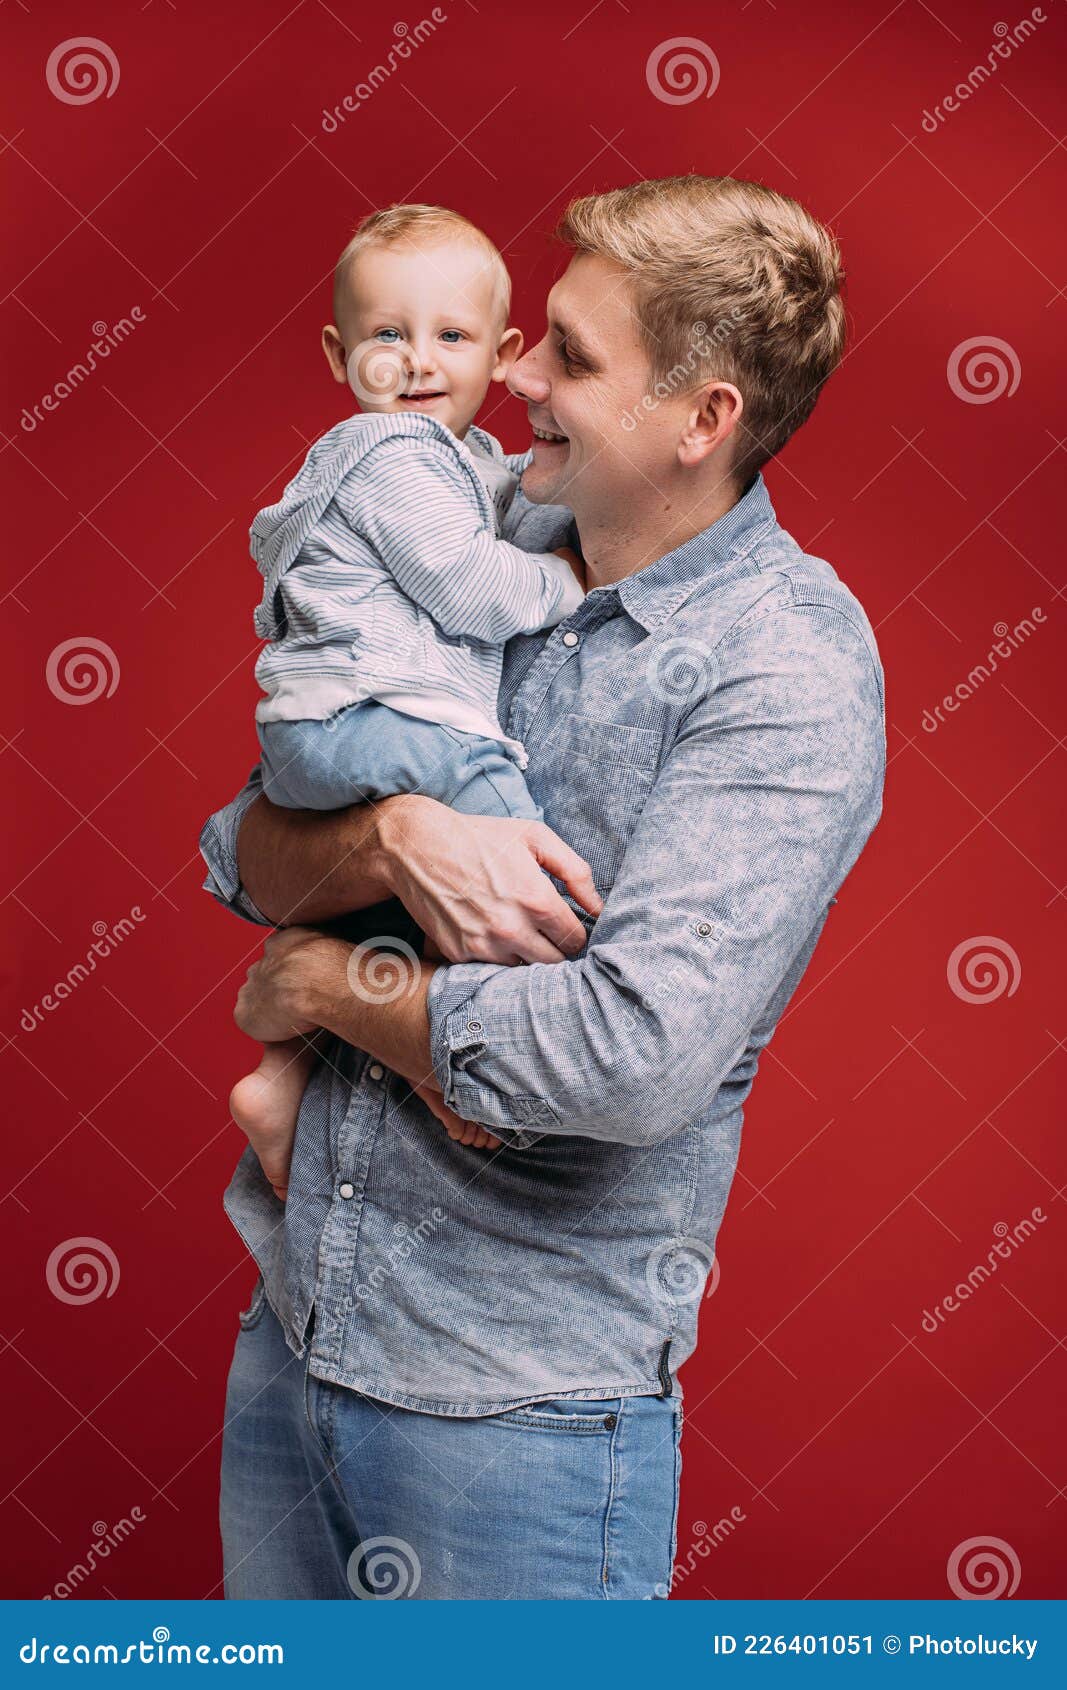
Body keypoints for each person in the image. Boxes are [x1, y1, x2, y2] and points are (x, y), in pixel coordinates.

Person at [200, 175, 885, 1600]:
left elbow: (627, 1058)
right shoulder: (472, 535)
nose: (507, 372)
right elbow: (240, 847)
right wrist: (391, 836)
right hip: (297, 1330)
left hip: (509, 1416)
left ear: (700, 421)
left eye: (565, 355)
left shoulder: (786, 668)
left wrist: (327, 981)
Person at [231, 204, 589, 1195]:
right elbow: (469, 586)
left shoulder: (464, 462)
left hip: (324, 734)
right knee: (499, 839)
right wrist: (564, 577)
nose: (418, 362)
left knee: (382, 910)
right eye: (387, 335)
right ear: (339, 353)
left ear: (503, 352)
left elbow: (501, 496)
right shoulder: (393, 453)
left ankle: (284, 1076)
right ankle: (463, 1059)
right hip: (372, 722)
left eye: (451, 336)